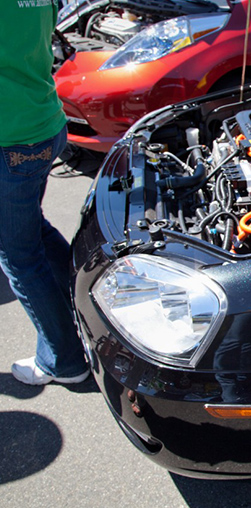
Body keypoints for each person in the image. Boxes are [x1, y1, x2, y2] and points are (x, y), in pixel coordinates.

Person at [0, 0, 89, 385]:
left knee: (18, 257)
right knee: (31, 231)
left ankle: (64, 361)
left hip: (11, 138)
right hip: (44, 123)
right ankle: (90, 304)